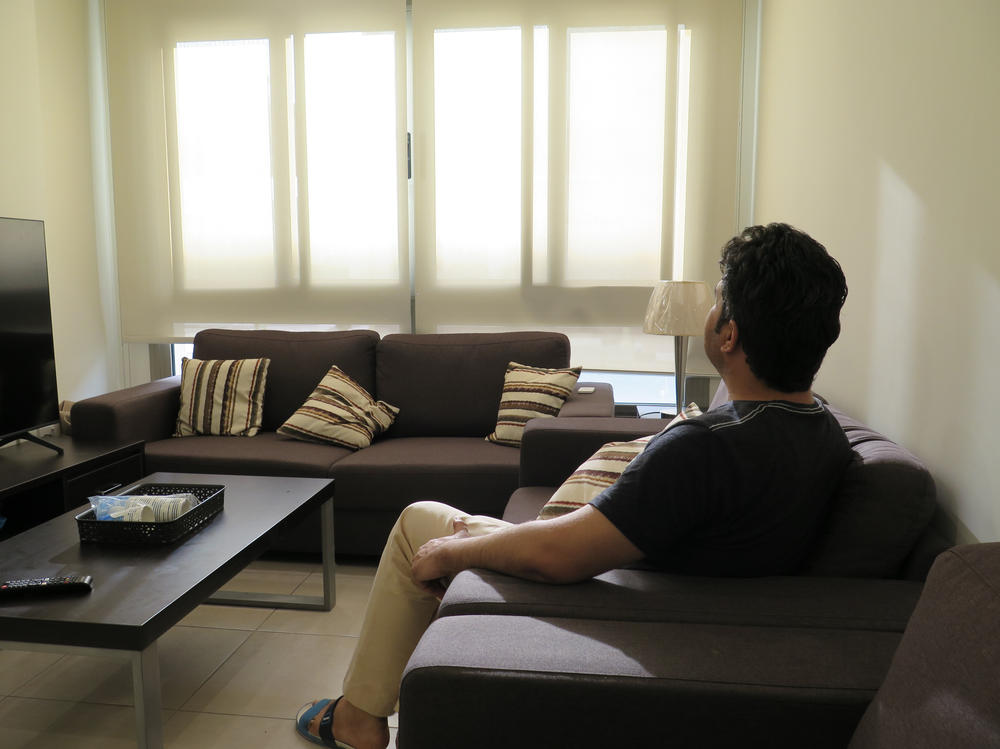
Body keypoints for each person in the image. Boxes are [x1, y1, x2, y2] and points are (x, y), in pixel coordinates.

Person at [295, 222, 852, 749]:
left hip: (609, 596)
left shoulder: (707, 445)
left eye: (716, 303)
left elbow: (558, 557)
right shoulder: (823, 430)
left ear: (728, 334)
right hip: (667, 589)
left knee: (421, 524)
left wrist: (457, 550)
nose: (709, 315)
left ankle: (358, 718)